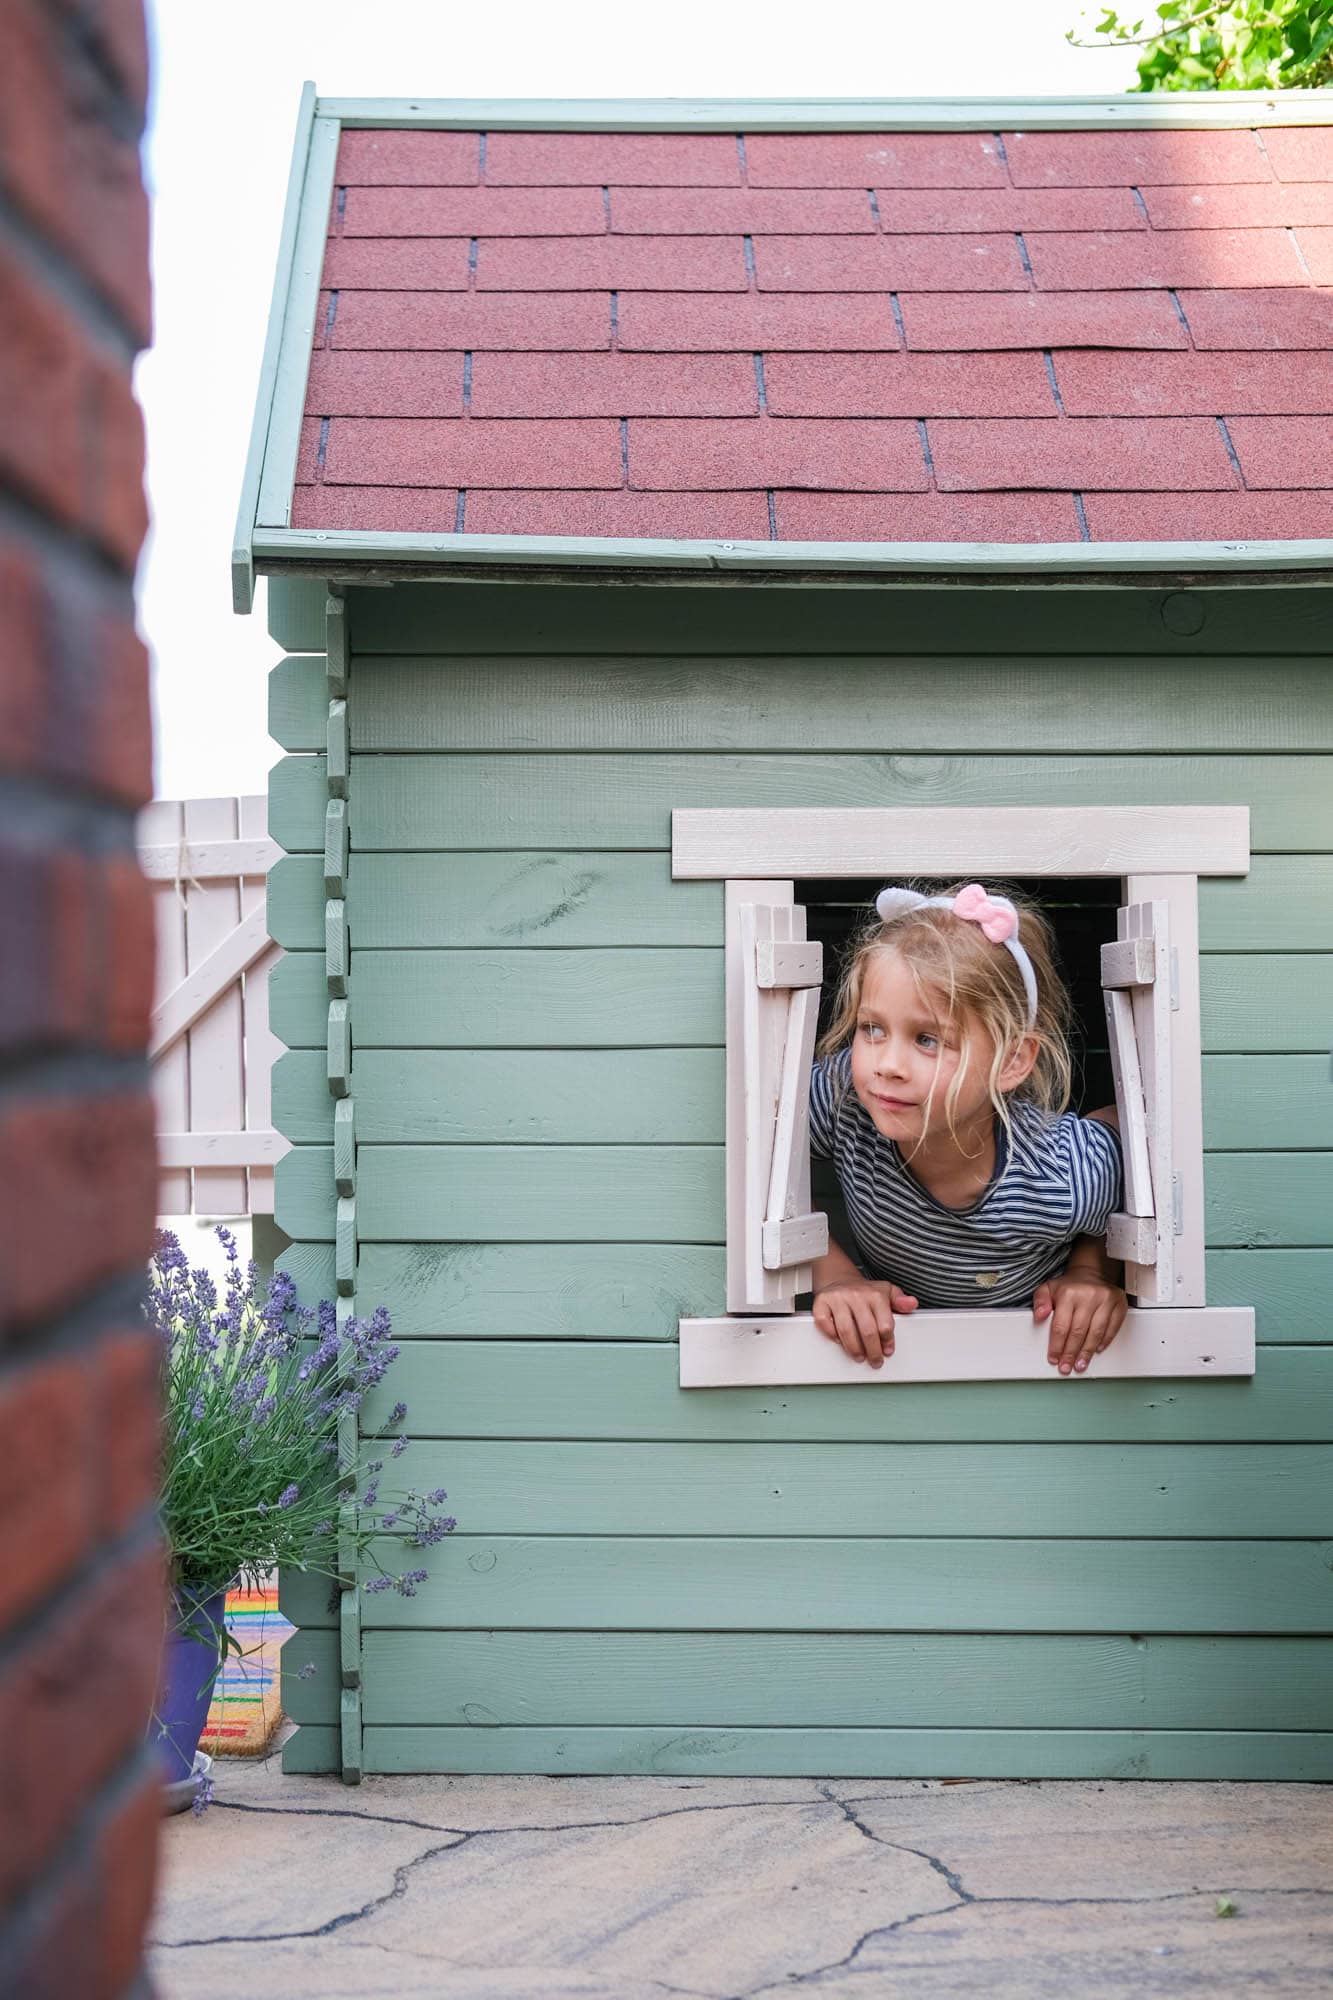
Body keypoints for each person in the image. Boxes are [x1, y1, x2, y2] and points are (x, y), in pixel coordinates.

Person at [809, 882, 1126, 1377]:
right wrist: (833, 1273)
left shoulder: (1061, 1174)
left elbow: (1128, 1129)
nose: (886, 1064)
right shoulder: (844, 1095)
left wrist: (1090, 1270)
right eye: (873, 1028)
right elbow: (757, 1148)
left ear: (1013, 1060)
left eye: (929, 1039)